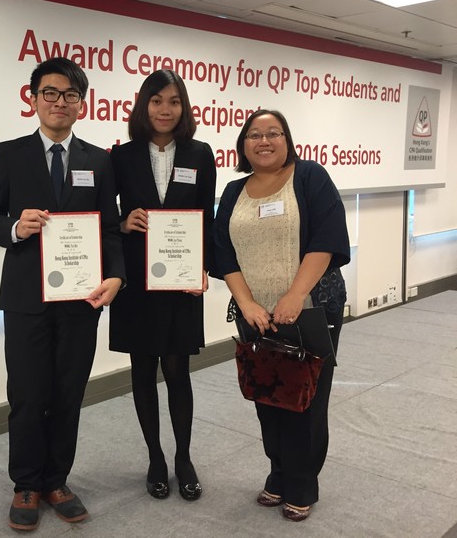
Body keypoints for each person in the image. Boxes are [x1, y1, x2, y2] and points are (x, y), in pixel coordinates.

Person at [0, 57, 126, 531]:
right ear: (34, 98)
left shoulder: (98, 160)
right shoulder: (10, 154)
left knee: (68, 392)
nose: (60, 102)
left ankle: (56, 479)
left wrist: (117, 277)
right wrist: (16, 228)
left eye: (70, 95)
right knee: (26, 393)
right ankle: (25, 483)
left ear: (82, 104)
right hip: (25, 298)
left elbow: (110, 230)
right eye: (51, 93)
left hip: (82, 300)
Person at [212, 109, 350, 521]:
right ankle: (278, 472)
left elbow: (325, 239)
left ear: (287, 139)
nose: (264, 140)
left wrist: (294, 295)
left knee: (307, 397)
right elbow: (222, 252)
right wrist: (248, 303)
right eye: (254, 134)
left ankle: (303, 481)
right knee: (268, 395)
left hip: (309, 308)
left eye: (273, 133)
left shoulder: (310, 177)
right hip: (255, 315)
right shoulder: (235, 191)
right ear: (243, 144)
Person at [109, 70, 216, 501]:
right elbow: (102, 218)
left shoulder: (200, 153)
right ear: (143, 105)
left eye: (173, 101)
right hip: (136, 282)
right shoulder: (121, 156)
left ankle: (183, 457)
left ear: (183, 107)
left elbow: (206, 218)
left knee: (177, 372)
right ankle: (154, 457)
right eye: (157, 101)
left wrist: (203, 268)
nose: (165, 110)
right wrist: (121, 221)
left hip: (180, 283)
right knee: (141, 371)